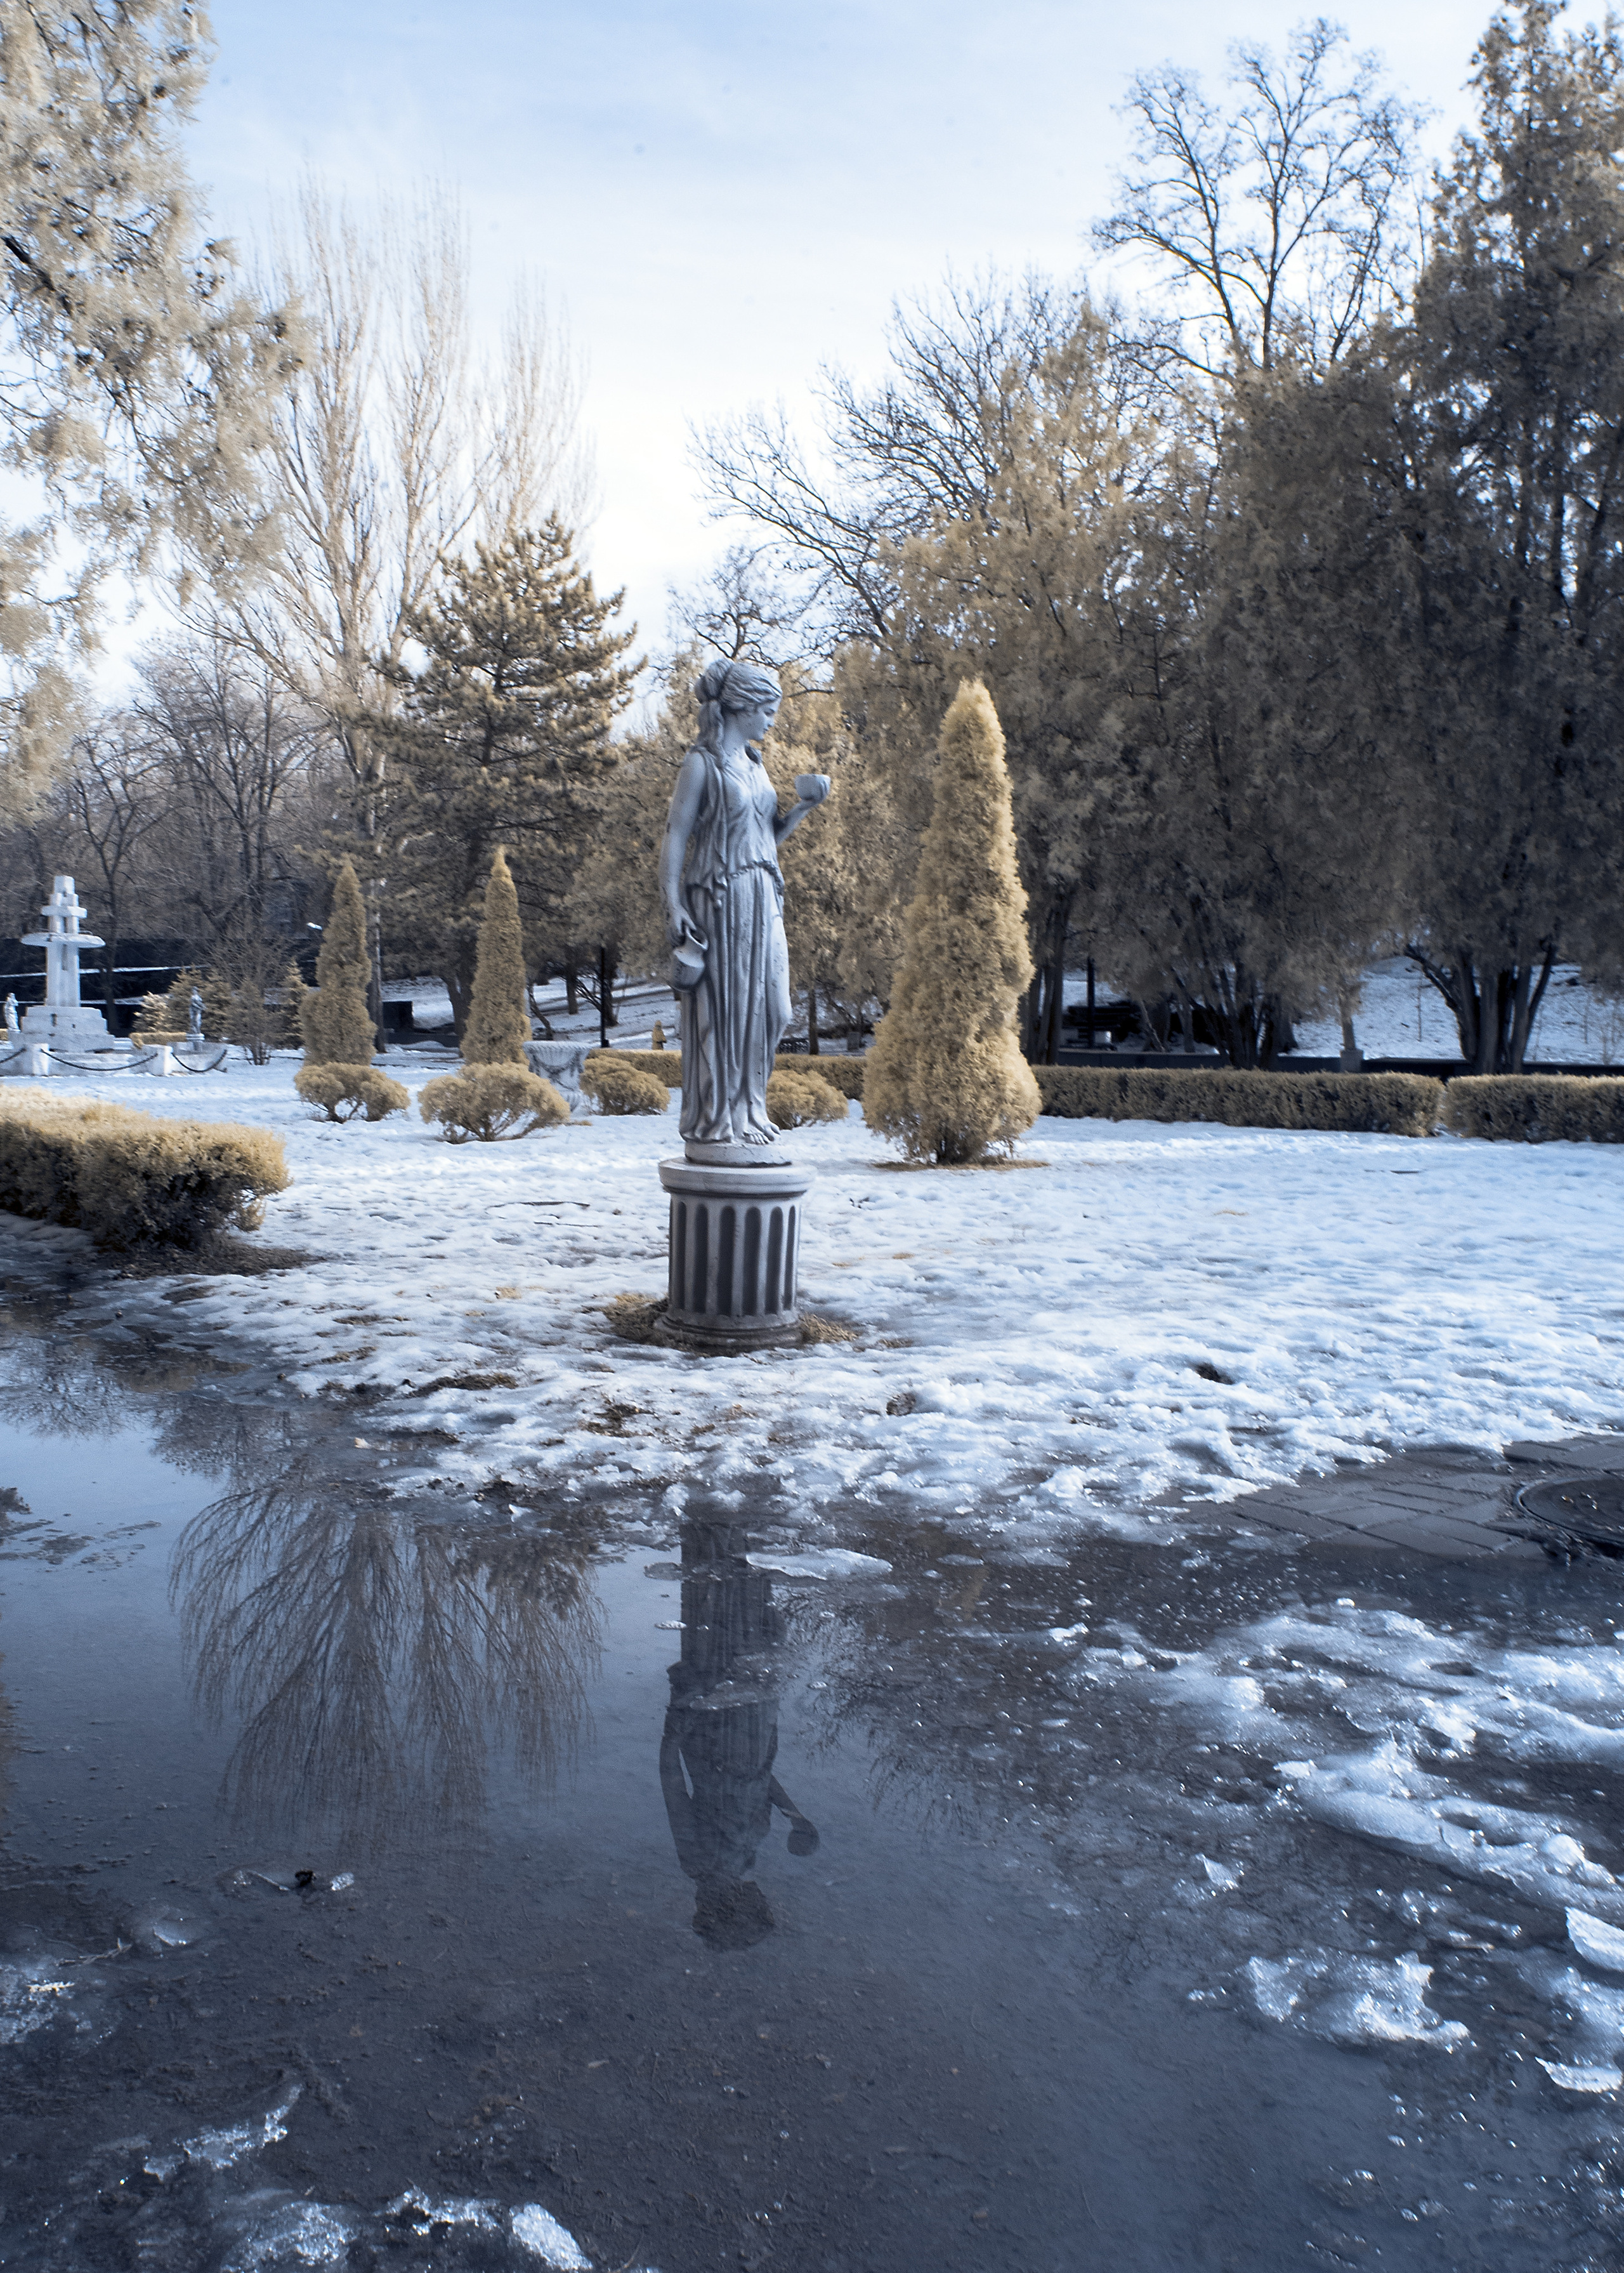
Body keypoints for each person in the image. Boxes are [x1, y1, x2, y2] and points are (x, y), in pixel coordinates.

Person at [660, 659, 829, 1148]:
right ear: (744, 707)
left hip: (763, 893)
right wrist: (673, 903)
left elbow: (767, 835)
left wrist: (801, 809)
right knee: (726, 1012)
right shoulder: (702, 764)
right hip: (719, 895)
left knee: (774, 1009)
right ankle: (722, 1118)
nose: (772, 722)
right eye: (769, 711)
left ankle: (751, 1106)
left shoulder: (755, 766)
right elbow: (676, 835)